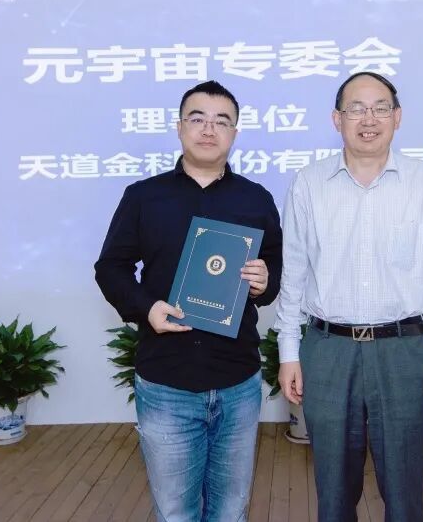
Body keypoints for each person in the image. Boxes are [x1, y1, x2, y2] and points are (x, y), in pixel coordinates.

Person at [274, 71, 423, 521]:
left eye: (380, 108)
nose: (369, 119)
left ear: (397, 117)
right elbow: (293, 275)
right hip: (329, 350)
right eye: (356, 109)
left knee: (405, 497)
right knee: (333, 495)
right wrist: (289, 353)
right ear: (336, 119)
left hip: (404, 351)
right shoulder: (309, 184)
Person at [95, 80, 283, 522]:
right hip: (167, 382)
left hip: (237, 381)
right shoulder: (144, 196)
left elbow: (275, 274)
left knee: (230, 510)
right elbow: (111, 268)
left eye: (222, 121)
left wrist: (263, 281)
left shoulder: (256, 199)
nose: (208, 129)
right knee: (176, 512)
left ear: (235, 132)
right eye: (197, 119)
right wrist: (147, 308)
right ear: (179, 127)